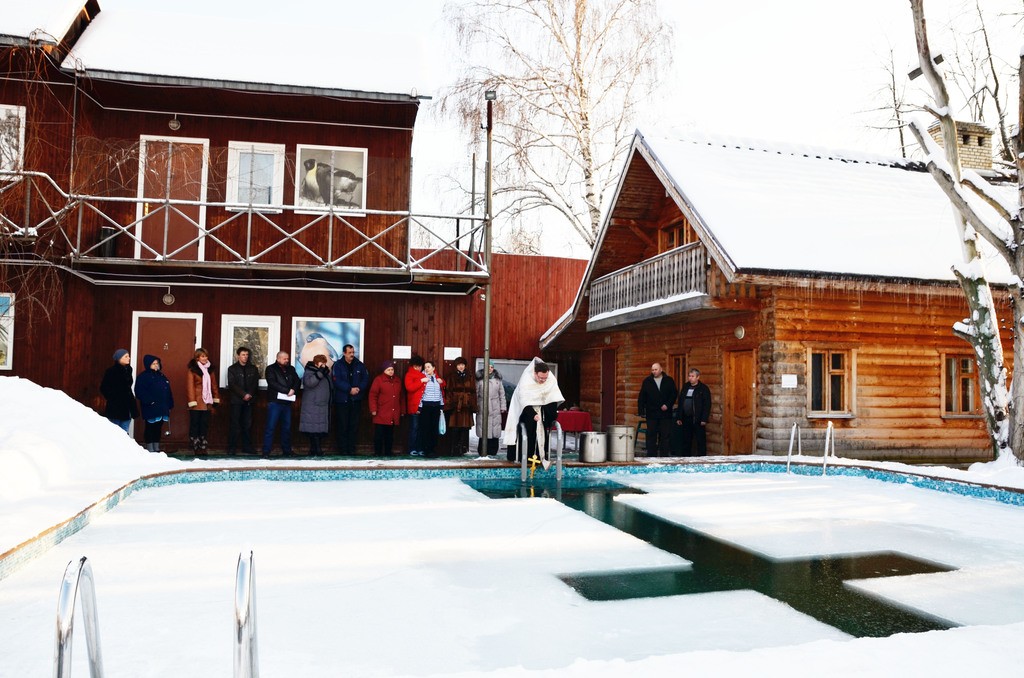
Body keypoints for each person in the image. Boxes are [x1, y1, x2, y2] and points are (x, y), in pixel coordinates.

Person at [503, 358, 563, 466]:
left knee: (541, 435)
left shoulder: (550, 380)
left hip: (541, 413)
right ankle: (524, 457)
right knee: (527, 433)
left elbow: (552, 397)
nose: (543, 380)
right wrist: (532, 414)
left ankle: (540, 456)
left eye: (545, 378)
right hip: (526, 412)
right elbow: (523, 400)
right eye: (541, 378)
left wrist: (551, 414)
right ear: (535, 374)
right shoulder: (526, 380)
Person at [332, 343, 369, 455]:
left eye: (353, 352)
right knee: (342, 425)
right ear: (344, 353)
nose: (352, 354)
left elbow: (365, 378)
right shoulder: (338, 365)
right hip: (342, 400)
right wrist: (349, 389)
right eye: (349, 353)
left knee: (354, 426)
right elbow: (336, 380)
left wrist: (358, 388)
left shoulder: (359, 365)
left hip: (355, 400)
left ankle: (351, 449)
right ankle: (343, 450)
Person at [263, 351, 301, 458]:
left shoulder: (291, 369)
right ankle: (266, 452)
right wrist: (287, 390)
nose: (287, 360)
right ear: (278, 358)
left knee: (287, 428)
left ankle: (287, 450)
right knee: (270, 427)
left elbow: (297, 381)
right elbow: (272, 383)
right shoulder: (271, 369)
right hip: (275, 402)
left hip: (287, 402)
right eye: (284, 359)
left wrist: (293, 389)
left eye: (287, 358)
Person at [637, 362, 678, 457]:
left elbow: (674, 394)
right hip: (652, 413)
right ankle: (651, 456)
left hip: (665, 413)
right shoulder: (647, 381)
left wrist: (668, 405)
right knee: (651, 435)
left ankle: (664, 456)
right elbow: (642, 396)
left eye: (656, 369)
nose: (654, 371)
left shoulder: (668, 380)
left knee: (665, 436)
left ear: (661, 370)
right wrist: (641, 411)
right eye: (652, 370)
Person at [134, 354, 174, 453]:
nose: (156, 365)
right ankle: (149, 446)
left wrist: (170, 403)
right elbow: (139, 391)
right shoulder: (143, 377)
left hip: (162, 406)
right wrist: (149, 401)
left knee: (158, 427)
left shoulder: (162, 376)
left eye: (157, 363)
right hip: (150, 406)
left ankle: (156, 446)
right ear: (148, 364)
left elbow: (168, 391)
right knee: (150, 427)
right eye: (153, 364)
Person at [186, 348, 220, 454]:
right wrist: (192, 401)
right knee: (195, 423)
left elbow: (214, 385)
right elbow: (190, 387)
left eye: (206, 356)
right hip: (196, 400)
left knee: (204, 423)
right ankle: (195, 444)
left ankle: (203, 443)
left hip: (207, 401)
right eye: (203, 356)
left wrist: (216, 398)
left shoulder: (210, 370)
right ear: (197, 358)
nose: (205, 358)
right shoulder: (192, 370)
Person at [227, 346, 259, 455]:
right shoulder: (232, 369)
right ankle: (232, 448)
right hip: (236, 401)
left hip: (249, 400)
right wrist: (243, 394)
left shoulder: (253, 369)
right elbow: (232, 384)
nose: (245, 357)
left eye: (247, 355)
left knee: (248, 425)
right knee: (235, 424)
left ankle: (247, 447)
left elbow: (255, 383)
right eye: (243, 355)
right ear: (238, 356)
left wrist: (249, 394)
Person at [369, 360, 403, 456]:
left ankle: (388, 452)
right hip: (381, 411)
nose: (391, 371)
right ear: (384, 370)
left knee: (390, 434)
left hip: (393, 412)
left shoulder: (397, 380)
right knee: (379, 434)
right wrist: (373, 409)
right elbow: (373, 395)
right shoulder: (378, 380)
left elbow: (401, 396)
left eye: (392, 369)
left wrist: (402, 410)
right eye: (388, 370)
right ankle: (378, 452)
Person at [300, 353, 332, 456]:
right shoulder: (309, 371)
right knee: (313, 429)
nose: (324, 365)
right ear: (316, 363)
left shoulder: (325, 373)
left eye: (324, 363)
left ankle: (314, 449)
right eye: (322, 363)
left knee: (319, 429)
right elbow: (310, 383)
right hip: (312, 404)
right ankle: (316, 449)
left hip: (322, 404)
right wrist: (320, 373)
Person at [444, 356, 477, 456]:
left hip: (466, 405)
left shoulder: (470, 376)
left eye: (462, 365)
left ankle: (462, 448)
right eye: (459, 365)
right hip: (456, 405)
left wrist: (472, 404)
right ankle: (453, 449)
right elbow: (448, 392)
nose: (461, 367)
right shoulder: (451, 377)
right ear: (456, 366)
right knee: (455, 428)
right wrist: (450, 404)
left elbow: (473, 391)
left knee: (465, 428)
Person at [100, 348, 139, 434]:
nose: (129, 358)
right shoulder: (111, 371)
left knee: (124, 432)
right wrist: (112, 398)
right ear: (119, 358)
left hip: (127, 406)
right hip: (116, 407)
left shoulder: (128, 370)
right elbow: (104, 387)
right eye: (126, 356)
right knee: (115, 433)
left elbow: (128, 388)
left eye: (128, 356)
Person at [676, 368, 712, 456]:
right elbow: (681, 402)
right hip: (686, 418)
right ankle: (686, 458)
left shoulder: (703, 389)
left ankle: (701, 459)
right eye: (689, 376)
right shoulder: (685, 387)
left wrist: (704, 419)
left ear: (698, 377)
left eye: (692, 376)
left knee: (700, 441)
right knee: (686, 440)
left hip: (698, 419)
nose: (690, 378)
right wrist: (679, 417)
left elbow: (707, 404)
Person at [476, 362, 507, 456]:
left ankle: (493, 450)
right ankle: (482, 449)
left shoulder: (498, 380)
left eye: (491, 367)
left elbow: (502, 394)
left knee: (495, 427)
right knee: (483, 427)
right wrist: (476, 406)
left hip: (495, 406)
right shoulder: (479, 379)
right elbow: (476, 394)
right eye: (488, 366)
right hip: (483, 405)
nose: (490, 368)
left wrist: (503, 406)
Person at [416, 360, 445, 458]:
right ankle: (426, 450)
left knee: (434, 428)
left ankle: (433, 449)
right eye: (425, 367)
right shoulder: (423, 378)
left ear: (433, 368)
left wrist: (441, 405)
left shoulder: (437, 379)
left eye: (428, 367)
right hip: (426, 406)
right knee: (426, 428)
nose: (426, 369)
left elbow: (441, 393)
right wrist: (420, 407)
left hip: (436, 406)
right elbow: (420, 394)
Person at [403, 355, 426, 455]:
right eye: (416, 366)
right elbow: (410, 387)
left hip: (423, 405)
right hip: (414, 406)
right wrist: (421, 381)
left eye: (420, 366)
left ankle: (420, 448)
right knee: (414, 428)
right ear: (413, 366)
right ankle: (412, 448)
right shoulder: (409, 375)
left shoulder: (424, 374)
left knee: (421, 428)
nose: (418, 368)